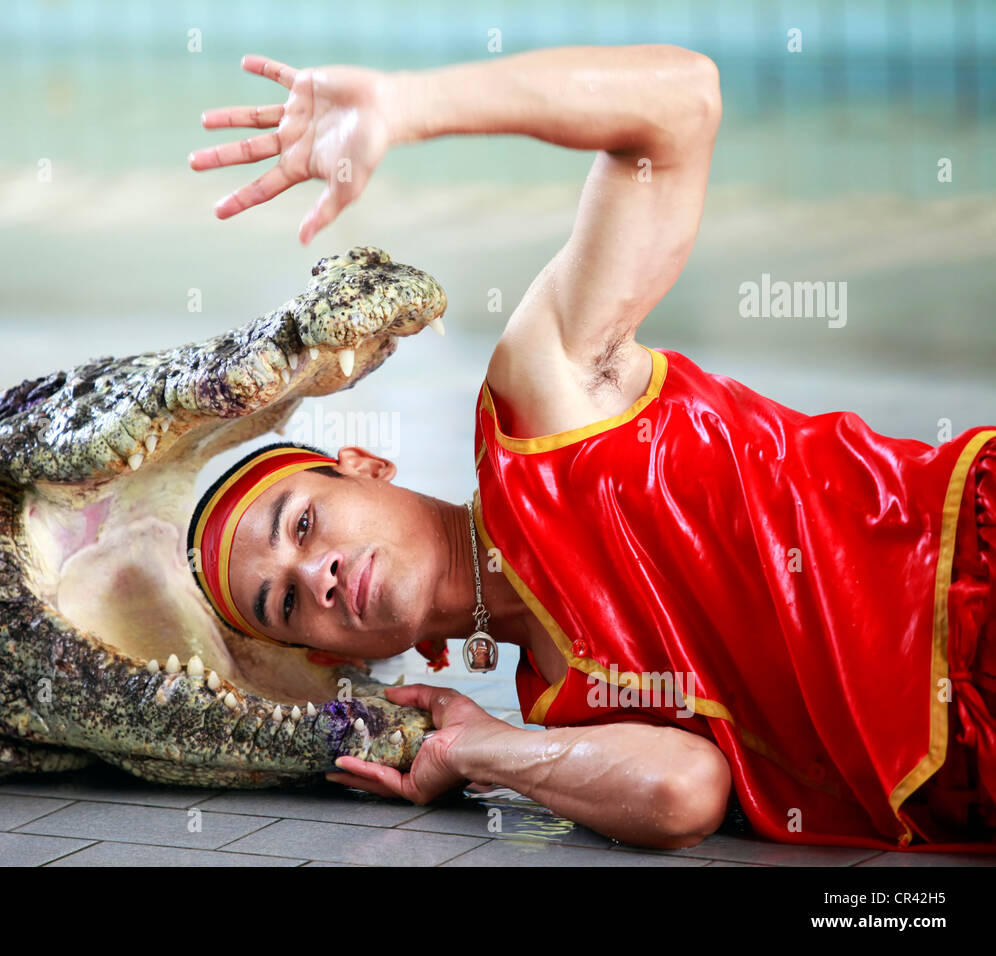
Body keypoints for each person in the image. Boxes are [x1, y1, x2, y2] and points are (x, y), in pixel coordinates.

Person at [186, 46, 996, 852]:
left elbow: (681, 105)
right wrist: (479, 749)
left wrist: (404, 105)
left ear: (366, 466)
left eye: (300, 527)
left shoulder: (542, 404)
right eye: (286, 605)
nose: (315, 576)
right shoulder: (560, 712)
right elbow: (685, 792)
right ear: (331, 655)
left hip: (965, 571)